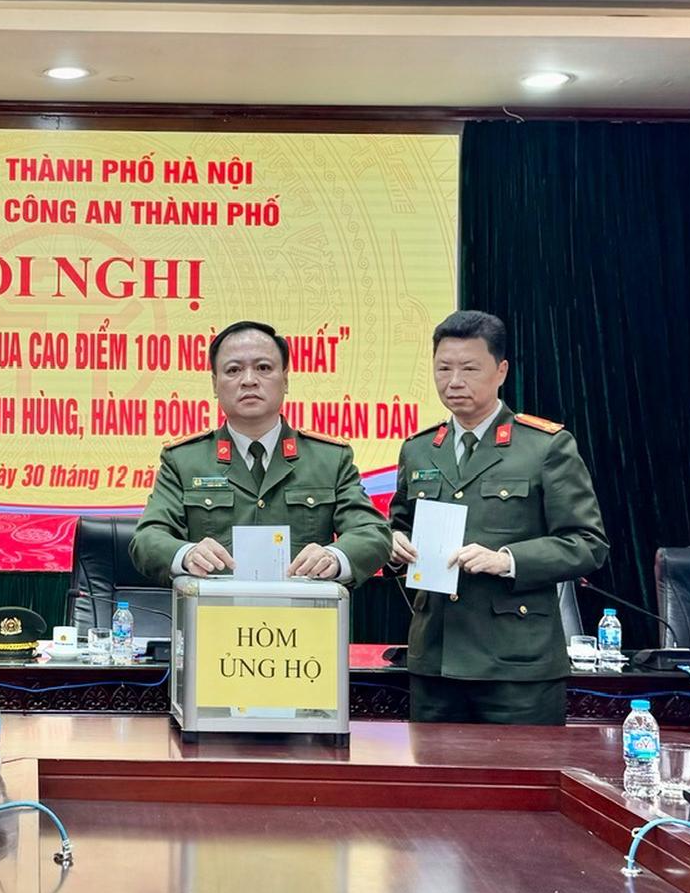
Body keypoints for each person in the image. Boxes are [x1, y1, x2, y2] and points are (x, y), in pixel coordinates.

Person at [386, 311, 608, 725]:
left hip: (516, 665)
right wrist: (393, 544)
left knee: (521, 769)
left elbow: (587, 544)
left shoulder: (544, 446)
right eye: (443, 369)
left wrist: (507, 560)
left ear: (501, 371)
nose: (454, 381)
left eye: (469, 369)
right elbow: (398, 526)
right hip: (435, 658)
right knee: (435, 769)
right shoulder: (419, 449)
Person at [129, 320, 391, 585]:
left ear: (285, 380)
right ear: (215, 384)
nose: (249, 381)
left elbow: (372, 533)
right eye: (233, 370)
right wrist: (187, 554)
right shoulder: (184, 460)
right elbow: (148, 538)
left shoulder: (329, 459)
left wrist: (334, 558)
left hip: (306, 609)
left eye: (263, 368)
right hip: (213, 608)